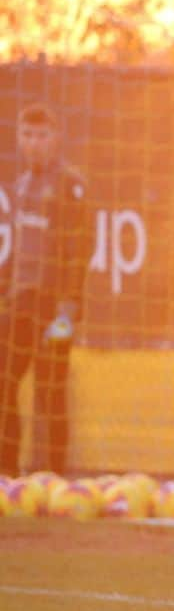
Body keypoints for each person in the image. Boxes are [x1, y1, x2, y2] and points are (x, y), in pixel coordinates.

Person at [0, 103, 94, 476]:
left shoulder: (70, 186)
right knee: (4, 382)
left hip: (54, 304)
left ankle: (54, 475)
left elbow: (79, 250)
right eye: (27, 135)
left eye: (42, 135)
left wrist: (69, 308)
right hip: (21, 301)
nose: (34, 143)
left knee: (50, 390)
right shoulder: (18, 188)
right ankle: (6, 474)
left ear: (56, 139)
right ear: (19, 140)